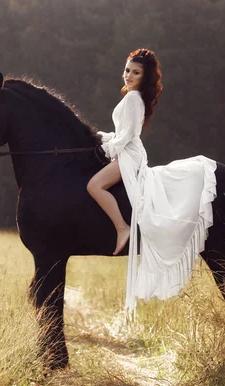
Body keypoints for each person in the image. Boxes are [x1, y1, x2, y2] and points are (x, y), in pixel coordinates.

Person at [87, 49, 218, 311]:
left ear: (144, 77)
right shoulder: (132, 98)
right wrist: (103, 136)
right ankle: (121, 225)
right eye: (127, 70)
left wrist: (107, 148)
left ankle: (122, 227)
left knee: (94, 185)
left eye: (135, 73)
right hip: (126, 151)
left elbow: (128, 137)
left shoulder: (134, 99)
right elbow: (123, 132)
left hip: (128, 155)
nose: (129, 76)